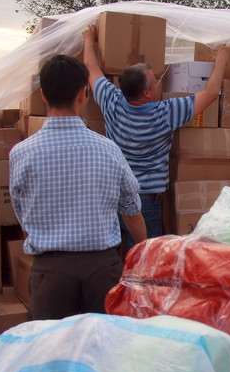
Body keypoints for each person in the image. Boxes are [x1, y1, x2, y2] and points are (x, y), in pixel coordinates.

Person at [9, 53, 147, 320]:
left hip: (51, 272)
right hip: (102, 270)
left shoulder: (21, 153)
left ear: (43, 95)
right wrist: (144, 250)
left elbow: (22, 213)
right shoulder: (108, 149)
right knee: (103, 350)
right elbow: (131, 209)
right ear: (84, 93)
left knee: (53, 351)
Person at [81, 24, 230, 242]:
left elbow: (90, 67)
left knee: (115, 256)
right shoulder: (165, 113)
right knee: (146, 261)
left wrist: (88, 39)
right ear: (147, 93)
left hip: (112, 196)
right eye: (154, 81)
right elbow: (211, 93)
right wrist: (222, 60)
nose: (158, 82)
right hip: (145, 203)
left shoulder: (111, 101)